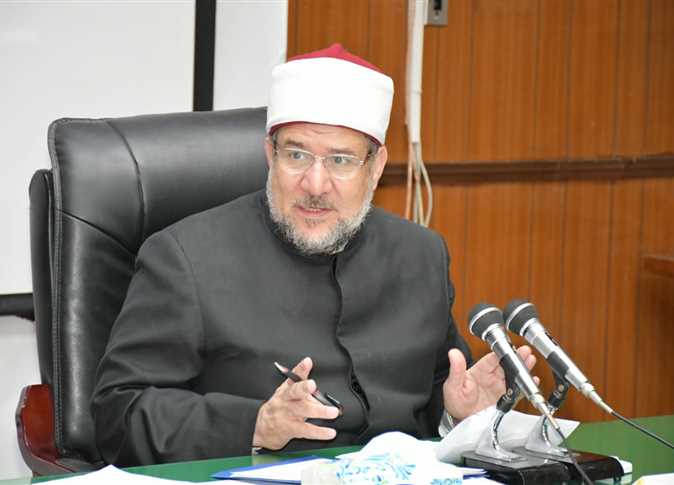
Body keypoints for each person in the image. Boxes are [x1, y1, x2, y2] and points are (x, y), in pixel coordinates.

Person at [91, 43, 536, 466]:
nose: (316, 185)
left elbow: (435, 395)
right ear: (270, 155)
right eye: (297, 155)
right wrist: (255, 425)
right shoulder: (185, 258)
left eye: (340, 161)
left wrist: (457, 414)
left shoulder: (420, 255)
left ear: (376, 167)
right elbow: (117, 413)